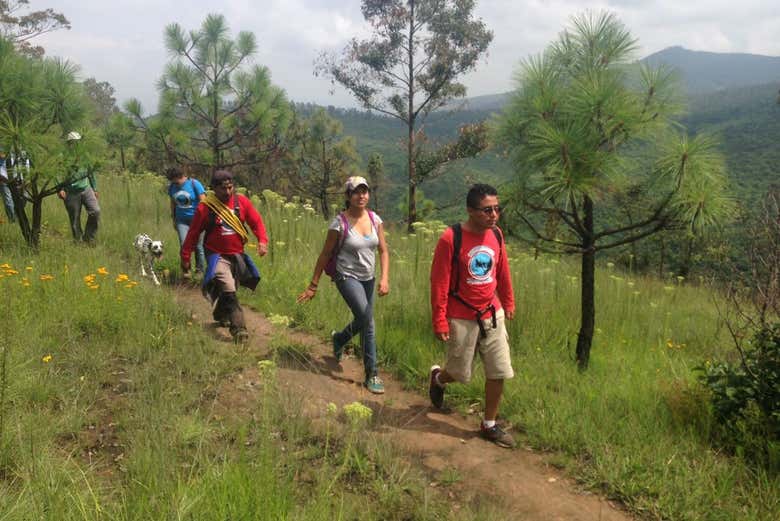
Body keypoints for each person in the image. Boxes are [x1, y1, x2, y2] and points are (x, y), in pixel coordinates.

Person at [428, 183, 517, 448]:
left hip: (492, 313)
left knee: (499, 370)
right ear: (470, 210)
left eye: (497, 209)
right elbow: (439, 282)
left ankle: (489, 424)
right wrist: (439, 319)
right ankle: (438, 378)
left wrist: (508, 301)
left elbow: (502, 271)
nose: (493, 215)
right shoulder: (450, 238)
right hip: (461, 315)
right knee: (458, 372)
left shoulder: (497, 235)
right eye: (487, 210)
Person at [296, 175, 390, 394]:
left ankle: (340, 338)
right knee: (368, 321)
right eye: (356, 191)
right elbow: (325, 254)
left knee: (364, 318)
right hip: (345, 276)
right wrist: (313, 285)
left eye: (365, 191)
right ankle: (372, 374)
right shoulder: (340, 223)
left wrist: (385, 278)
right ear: (348, 196)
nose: (361, 195)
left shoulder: (376, 220)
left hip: (369, 277)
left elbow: (383, 250)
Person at [181, 170, 268, 343]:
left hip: (237, 255)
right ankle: (239, 329)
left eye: (230, 187)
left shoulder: (241, 202)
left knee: (230, 287)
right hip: (216, 255)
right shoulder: (205, 207)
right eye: (223, 189)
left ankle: (220, 314)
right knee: (229, 290)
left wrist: (262, 241)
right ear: (213, 188)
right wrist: (185, 256)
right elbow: (193, 233)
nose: (227, 192)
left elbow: (256, 221)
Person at [57, 131, 100, 243]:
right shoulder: (63, 156)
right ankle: (78, 242)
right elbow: (57, 173)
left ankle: (89, 238)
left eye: (78, 142)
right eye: (74, 142)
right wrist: (60, 189)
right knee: (75, 219)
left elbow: (90, 171)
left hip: (86, 188)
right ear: (69, 143)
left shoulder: (84, 155)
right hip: (71, 192)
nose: (76, 144)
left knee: (95, 211)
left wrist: (94, 188)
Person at [166, 166, 207, 275]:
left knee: (198, 247)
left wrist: (203, 219)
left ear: (182, 176)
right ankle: (186, 271)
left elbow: (204, 202)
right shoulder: (172, 187)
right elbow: (172, 203)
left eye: (176, 180)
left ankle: (200, 272)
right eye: (172, 181)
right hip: (181, 221)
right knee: (184, 245)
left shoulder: (194, 184)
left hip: (197, 221)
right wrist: (174, 219)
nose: (175, 183)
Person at [0, 149, 14, 223]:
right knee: (8, 201)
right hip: (3, 177)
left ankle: (12, 220)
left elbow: (3, 155)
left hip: (5, 178)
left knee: (8, 200)